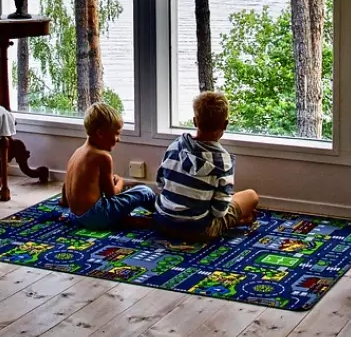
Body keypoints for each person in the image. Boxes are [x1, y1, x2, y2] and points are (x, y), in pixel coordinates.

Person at [154, 91, 259, 241]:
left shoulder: (176, 145)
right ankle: (238, 220)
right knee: (251, 196)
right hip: (198, 231)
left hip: (162, 222)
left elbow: (160, 183)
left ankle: (239, 219)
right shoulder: (222, 161)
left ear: (195, 121)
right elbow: (219, 211)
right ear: (226, 124)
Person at [60, 101, 155, 230]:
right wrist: (120, 182)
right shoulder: (102, 157)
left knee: (125, 197)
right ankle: (165, 214)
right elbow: (112, 195)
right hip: (96, 216)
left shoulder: (78, 153)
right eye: (116, 133)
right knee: (144, 191)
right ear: (100, 133)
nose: (118, 139)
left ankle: (125, 220)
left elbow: (66, 186)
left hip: (76, 216)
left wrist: (65, 202)